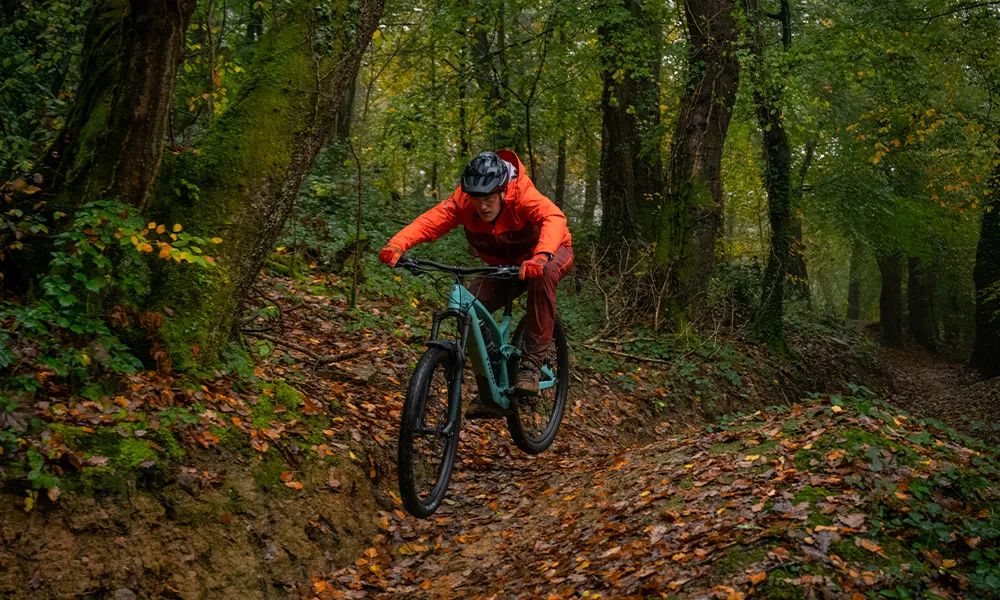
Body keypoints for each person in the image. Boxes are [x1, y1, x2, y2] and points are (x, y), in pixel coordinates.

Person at [379, 150, 573, 409]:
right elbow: (431, 221)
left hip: (551, 252)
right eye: (476, 199)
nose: (482, 207)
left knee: (544, 275)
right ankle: (492, 384)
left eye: (488, 199)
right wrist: (398, 244)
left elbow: (554, 218)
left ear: (503, 192)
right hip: (503, 265)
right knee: (467, 308)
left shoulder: (522, 194)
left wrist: (541, 256)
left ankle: (532, 366)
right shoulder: (463, 202)